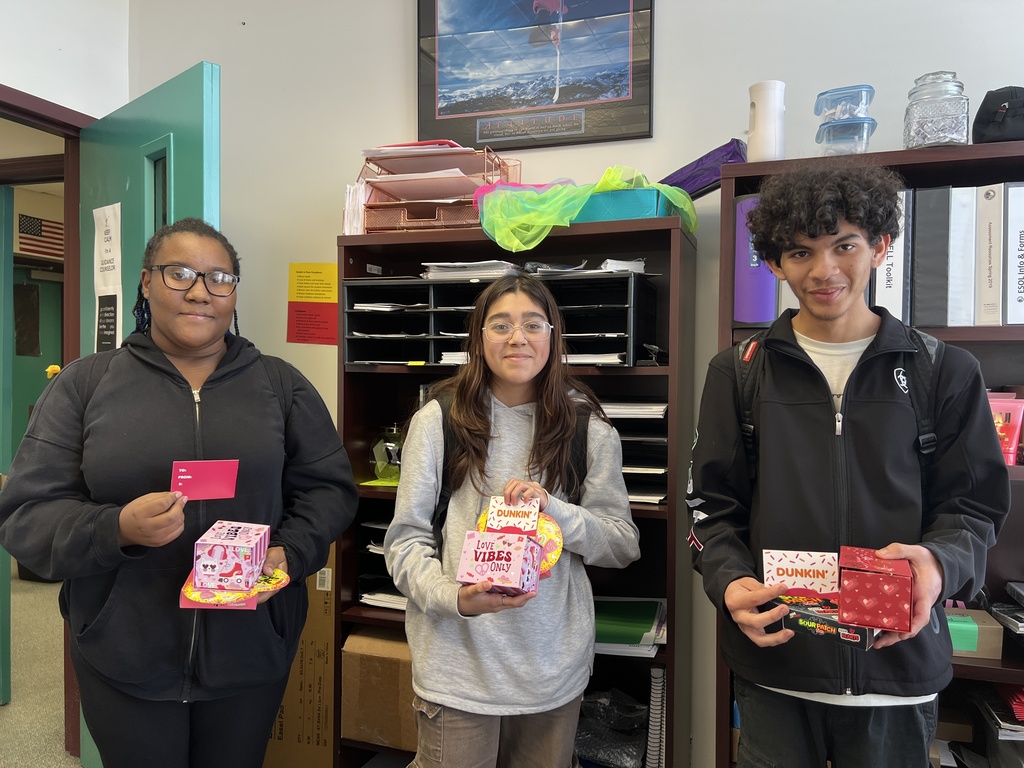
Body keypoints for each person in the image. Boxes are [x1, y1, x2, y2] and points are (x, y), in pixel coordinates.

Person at [0, 217, 357, 768]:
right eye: (180, 273)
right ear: (146, 282)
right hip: (123, 649)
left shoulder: (280, 386)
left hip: (251, 643)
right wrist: (115, 528)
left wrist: (286, 557)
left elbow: (329, 492)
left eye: (220, 277)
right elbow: (26, 514)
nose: (199, 291)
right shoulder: (84, 384)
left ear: (234, 291)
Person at [687, 166, 1009, 767]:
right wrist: (729, 582)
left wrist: (939, 566)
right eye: (800, 252)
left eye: (845, 244)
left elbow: (975, 506)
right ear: (776, 263)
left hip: (898, 669)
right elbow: (709, 506)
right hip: (777, 665)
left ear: (880, 246)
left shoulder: (945, 370)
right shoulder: (739, 370)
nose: (823, 270)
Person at [384, 272, 640, 768]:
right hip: (457, 666)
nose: (517, 338)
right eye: (500, 325)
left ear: (553, 336)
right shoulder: (438, 419)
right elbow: (406, 541)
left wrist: (556, 510)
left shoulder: (588, 426)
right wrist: (453, 597)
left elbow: (622, 544)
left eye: (532, 324)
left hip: (551, 672)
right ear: (479, 339)